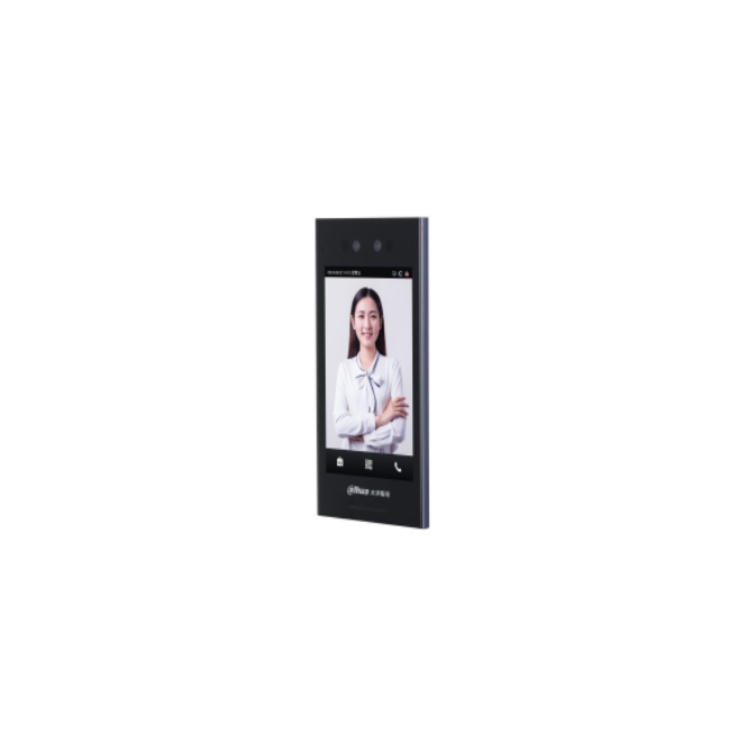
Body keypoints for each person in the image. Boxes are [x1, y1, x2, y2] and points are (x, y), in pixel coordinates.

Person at [333, 287, 408, 453]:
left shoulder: (392, 367)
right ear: (353, 322)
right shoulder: (344, 369)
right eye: (361, 316)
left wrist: (361, 436)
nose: (367, 324)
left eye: (373, 316)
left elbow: (399, 431)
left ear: (380, 322)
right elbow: (339, 426)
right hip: (350, 464)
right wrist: (380, 420)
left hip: (384, 466)